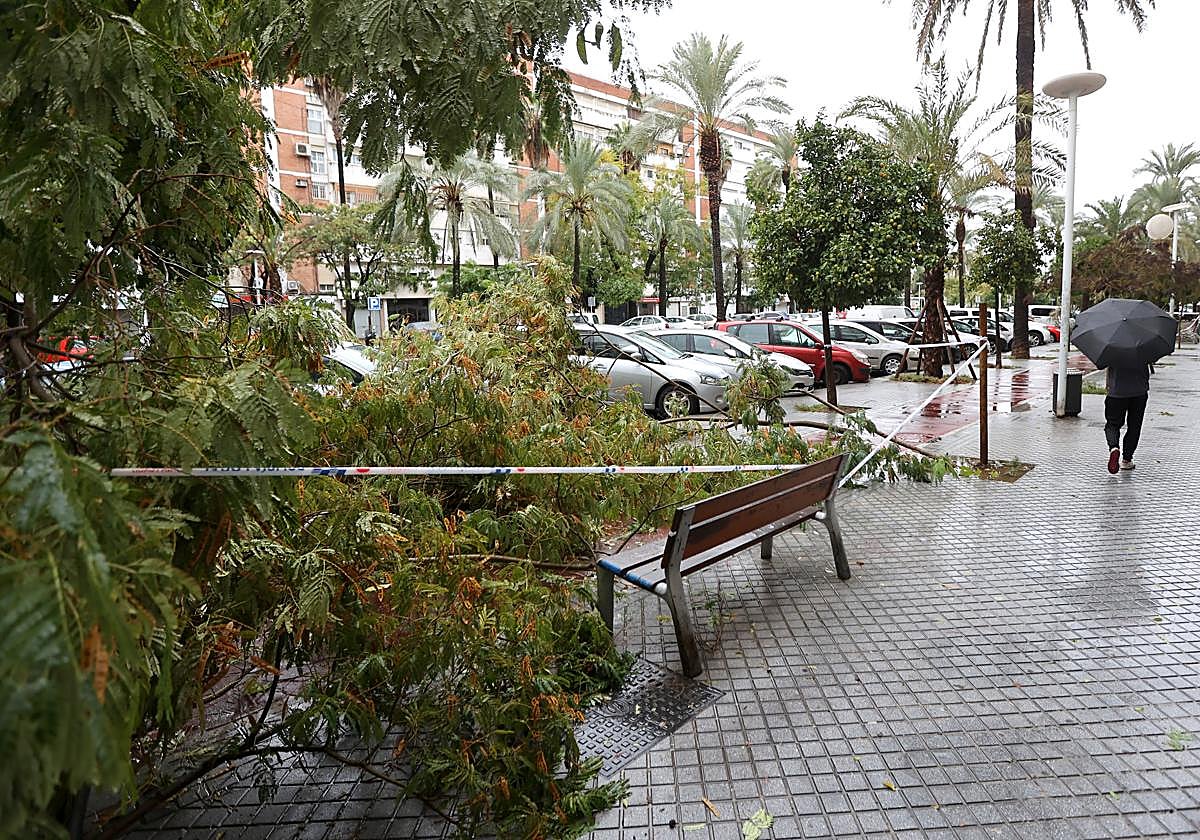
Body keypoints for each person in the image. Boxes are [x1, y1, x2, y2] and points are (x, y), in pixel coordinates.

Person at [1103, 363, 1152, 474]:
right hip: (1139, 391)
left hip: (1116, 391)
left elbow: (1104, 364)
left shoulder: (1112, 346)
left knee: (1112, 424)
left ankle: (1114, 448)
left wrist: (1108, 383)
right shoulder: (1143, 346)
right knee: (1134, 426)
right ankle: (1126, 460)